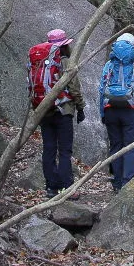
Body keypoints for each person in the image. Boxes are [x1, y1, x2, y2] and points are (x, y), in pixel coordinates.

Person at [28, 29, 85, 198]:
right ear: (65, 45)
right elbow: (74, 87)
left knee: (49, 149)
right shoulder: (66, 62)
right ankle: (67, 189)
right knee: (65, 151)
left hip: (44, 109)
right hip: (63, 109)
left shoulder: (41, 61)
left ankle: (51, 188)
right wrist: (81, 107)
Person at [99, 32, 134, 191]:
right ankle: (127, 183)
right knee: (130, 146)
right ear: (133, 47)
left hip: (110, 109)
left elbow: (101, 89)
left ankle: (117, 182)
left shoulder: (109, 64)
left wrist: (102, 112)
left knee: (115, 145)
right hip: (130, 109)